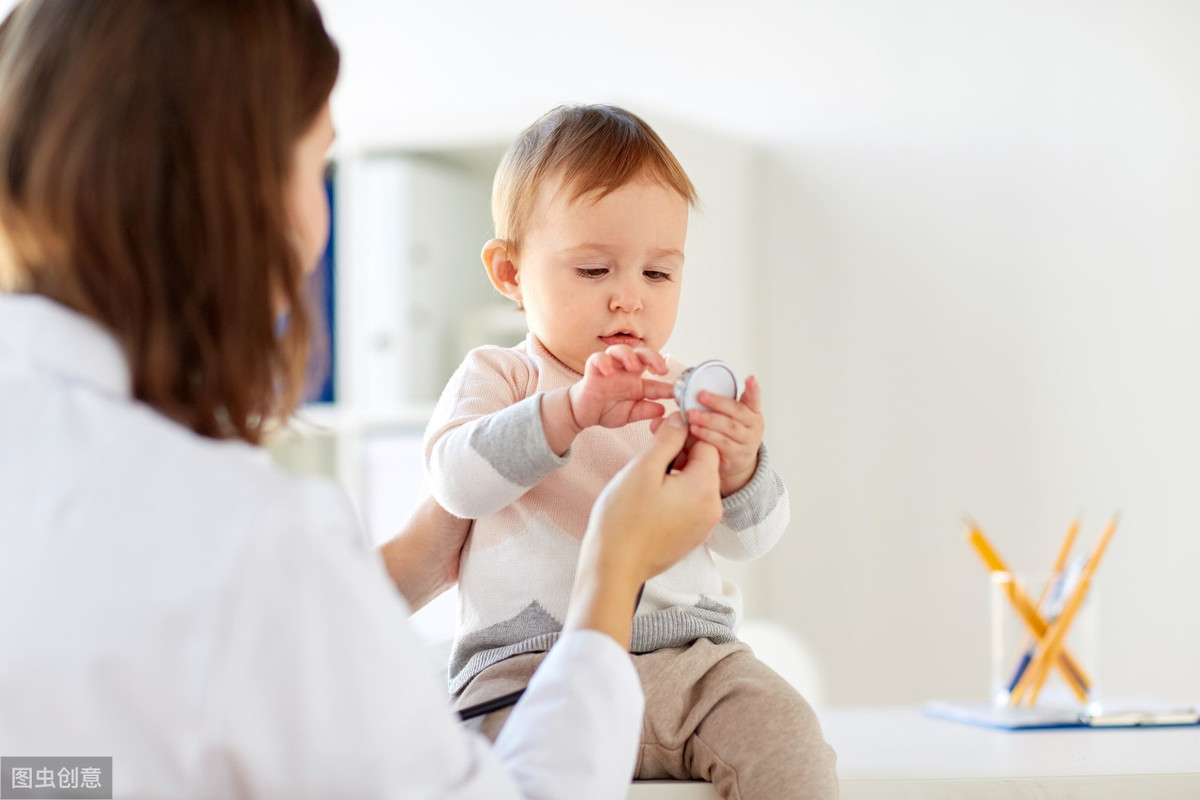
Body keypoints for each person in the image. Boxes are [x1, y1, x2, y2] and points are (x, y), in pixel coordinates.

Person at [0, 3, 724, 798]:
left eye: (658, 272)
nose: (319, 222)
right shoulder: (247, 535)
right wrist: (614, 569)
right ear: (232, 195)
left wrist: (415, 557)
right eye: (316, 168)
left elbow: (55, 775)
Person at [419, 104, 839, 798]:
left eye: (658, 274)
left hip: (692, 662)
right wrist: (569, 414)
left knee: (792, 740)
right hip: (527, 672)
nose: (628, 300)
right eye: (593, 270)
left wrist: (740, 471)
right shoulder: (502, 377)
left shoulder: (684, 389)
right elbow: (456, 483)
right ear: (509, 273)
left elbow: (755, 541)